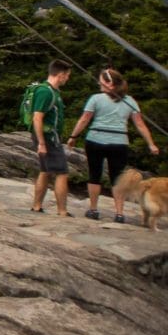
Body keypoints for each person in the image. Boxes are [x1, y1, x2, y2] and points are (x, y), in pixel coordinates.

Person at [67, 67, 158, 223]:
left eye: (101, 80)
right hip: (119, 142)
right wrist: (151, 144)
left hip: (95, 139)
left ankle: (94, 209)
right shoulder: (130, 101)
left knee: (94, 175)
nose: (99, 82)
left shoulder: (96, 99)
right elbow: (140, 124)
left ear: (110, 83)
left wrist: (73, 136)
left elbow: (84, 119)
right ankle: (119, 213)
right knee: (117, 178)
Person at [27, 60, 73, 216]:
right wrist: (41, 143)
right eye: (67, 75)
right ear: (60, 75)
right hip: (48, 138)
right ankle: (62, 210)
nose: (67, 78)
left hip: (49, 137)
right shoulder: (46, 92)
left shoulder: (54, 91)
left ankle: (37, 205)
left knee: (45, 170)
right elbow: (37, 117)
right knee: (62, 172)